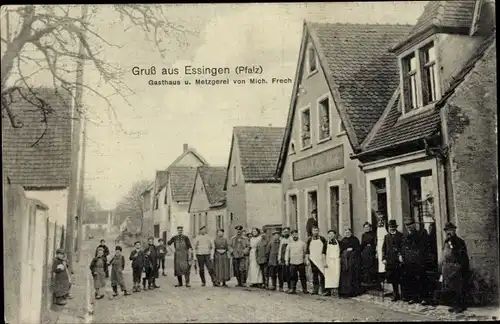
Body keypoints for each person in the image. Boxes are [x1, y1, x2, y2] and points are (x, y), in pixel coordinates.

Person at [440, 222, 470, 313]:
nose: (448, 232)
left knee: (458, 288)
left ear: (454, 230)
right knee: (450, 288)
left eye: (450, 230)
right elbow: (444, 254)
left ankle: (460, 306)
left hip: (456, 268)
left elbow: (463, 256)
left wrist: (461, 267)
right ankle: (453, 305)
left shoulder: (459, 242)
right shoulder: (446, 241)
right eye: (446, 231)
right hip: (447, 268)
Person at [400, 219, 430, 305]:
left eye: (410, 225)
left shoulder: (420, 234)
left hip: (419, 261)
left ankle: (424, 298)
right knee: (411, 279)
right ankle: (413, 297)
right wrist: (402, 255)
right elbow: (403, 247)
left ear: (414, 225)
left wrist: (422, 258)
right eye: (407, 225)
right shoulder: (405, 236)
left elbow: (424, 247)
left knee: (421, 279)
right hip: (409, 261)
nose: (408, 227)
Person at [382, 219, 404, 302]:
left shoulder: (400, 235)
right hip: (390, 260)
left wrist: (401, 255)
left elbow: (403, 247)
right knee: (393, 278)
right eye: (390, 227)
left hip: (398, 260)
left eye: (393, 227)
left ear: (395, 227)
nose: (391, 228)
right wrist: (383, 258)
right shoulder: (386, 236)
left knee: (400, 277)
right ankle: (396, 294)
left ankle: (403, 294)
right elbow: (383, 248)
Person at [338, 228, 362, 297]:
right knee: (345, 276)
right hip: (345, 261)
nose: (347, 233)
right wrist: (345, 251)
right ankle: (345, 291)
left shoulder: (355, 239)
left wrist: (353, 249)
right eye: (346, 232)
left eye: (348, 232)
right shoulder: (343, 240)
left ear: (351, 233)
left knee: (353, 276)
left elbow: (358, 248)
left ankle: (354, 292)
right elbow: (341, 250)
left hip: (353, 261)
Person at [285, 229, 309, 294]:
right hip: (292, 262)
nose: (294, 236)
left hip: (301, 262)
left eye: (296, 234)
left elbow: (306, 252)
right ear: (291, 235)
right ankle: (293, 289)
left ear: (298, 235)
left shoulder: (302, 243)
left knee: (303, 276)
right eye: (293, 235)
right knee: (293, 276)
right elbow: (287, 253)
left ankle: (305, 289)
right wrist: (286, 260)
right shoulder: (289, 244)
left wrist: (306, 260)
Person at [306, 225, 327, 295]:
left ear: (318, 231)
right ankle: (315, 289)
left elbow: (325, 250)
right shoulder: (309, 239)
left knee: (322, 275)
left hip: (321, 259)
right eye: (314, 231)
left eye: (317, 230)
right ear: (312, 232)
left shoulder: (322, 239)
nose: (315, 232)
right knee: (315, 275)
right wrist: (307, 259)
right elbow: (307, 250)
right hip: (313, 260)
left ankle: (323, 290)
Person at [323, 229, 341, 296]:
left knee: (336, 275)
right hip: (329, 261)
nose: (331, 235)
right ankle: (328, 291)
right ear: (328, 235)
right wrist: (324, 262)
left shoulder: (339, 242)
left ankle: (335, 291)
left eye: (332, 234)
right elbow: (323, 254)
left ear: (335, 235)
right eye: (330, 234)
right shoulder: (326, 243)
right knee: (329, 276)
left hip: (336, 261)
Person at [360, 222, 377, 287]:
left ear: (370, 228)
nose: (366, 228)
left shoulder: (373, 234)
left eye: (368, 227)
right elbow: (362, 244)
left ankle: (371, 281)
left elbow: (375, 243)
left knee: (371, 265)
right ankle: (366, 281)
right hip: (365, 252)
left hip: (371, 251)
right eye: (365, 227)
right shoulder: (363, 235)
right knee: (365, 266)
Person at [375, 211, 388, 288]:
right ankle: (381, 281)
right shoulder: (377, 225)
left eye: (381, 216)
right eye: (378, 217)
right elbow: (377, 238)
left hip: (385, 243)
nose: (380, 218)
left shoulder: (385, 223)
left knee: (385, 261)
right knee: (380, 263)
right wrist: (377, 249)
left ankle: (386, 279)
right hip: (379, 245)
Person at [278, 227, 291, 292]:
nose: (286, 233)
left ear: (289, 232)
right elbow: (280, 250)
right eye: (284, 232)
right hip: (283, 258)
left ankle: (290, 287)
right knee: (282, 273)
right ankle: (281, 286)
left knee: (289, 273)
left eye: (287, 232)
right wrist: (279, 258)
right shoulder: (282, 240)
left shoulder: (291, 239)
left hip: (290, 258)